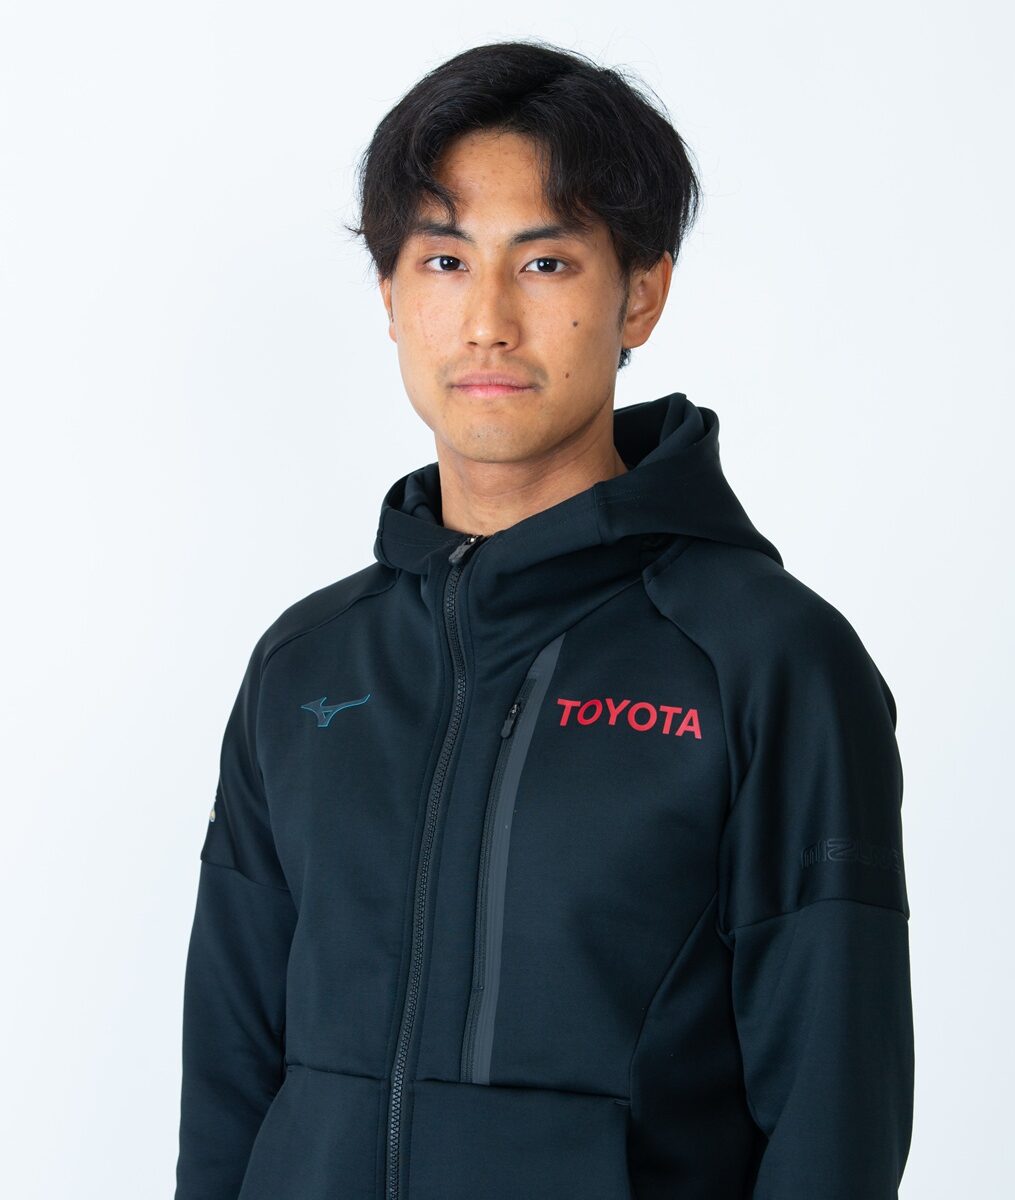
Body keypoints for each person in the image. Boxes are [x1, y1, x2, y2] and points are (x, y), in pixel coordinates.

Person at [174, 39, 914, 1200]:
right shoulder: (306, 663)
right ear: (390, 298)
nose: (486, 321)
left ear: (641, 295)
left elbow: (834, 1117)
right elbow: (227, 1086)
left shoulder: (764, 661)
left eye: (546, 263)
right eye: (443, 260)